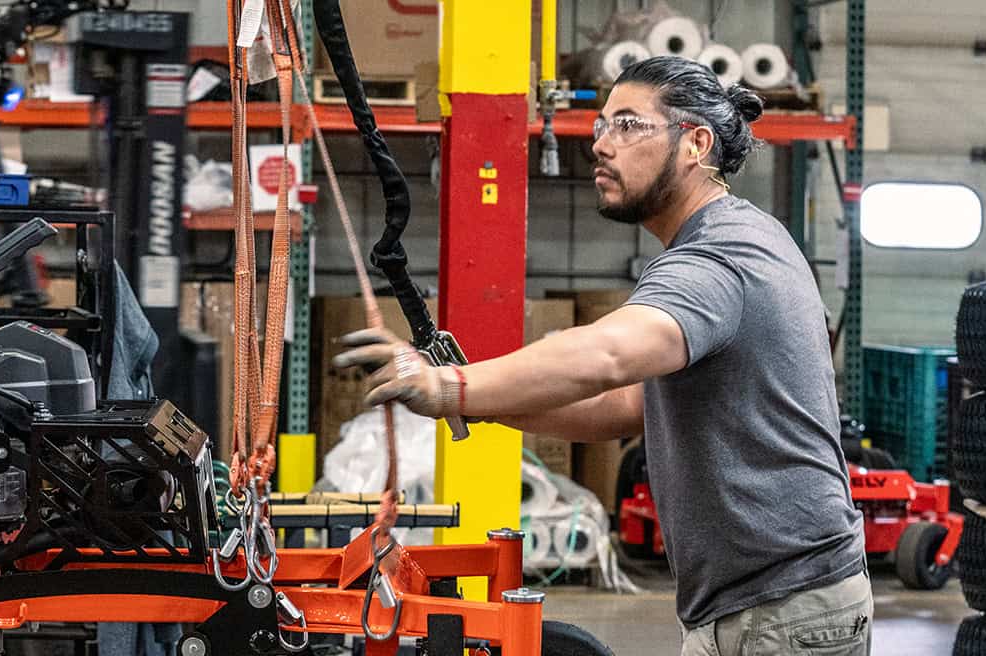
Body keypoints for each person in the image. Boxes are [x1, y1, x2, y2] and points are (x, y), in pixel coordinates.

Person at [332, 56, 871, 656]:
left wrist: (452, 386)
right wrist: (478, 402)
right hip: (757, 604)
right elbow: (623, 403)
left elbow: (609, 354)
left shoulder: (720, 256)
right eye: (600, 127)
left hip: (784, 610)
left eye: (629, 126)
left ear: (695, 143)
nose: (602, 146)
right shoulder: (719, 243)